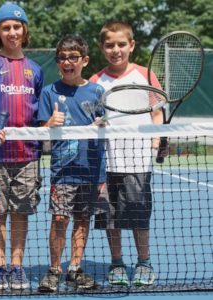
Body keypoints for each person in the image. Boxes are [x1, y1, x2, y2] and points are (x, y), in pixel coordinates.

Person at [0, 2, 43, 290]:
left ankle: (17, 266)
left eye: (16, 26)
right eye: (6, 28)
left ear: (24, 30)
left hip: (27, 155)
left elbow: (39, 114)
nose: (12, 32)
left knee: (20, 214)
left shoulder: (35, 70)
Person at [90, 20, 163, 286]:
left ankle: (144, 262)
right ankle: (117, 263)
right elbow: (94, 121)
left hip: (138, 162)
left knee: (139, 217)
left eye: (121, 44)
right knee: (111, 219)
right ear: (102, 47)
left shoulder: (145, 76)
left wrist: (156, 138)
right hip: (105, 164)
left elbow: (157, 112)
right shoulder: (96, 81)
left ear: (131, 45)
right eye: (110, 45)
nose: (116, 50)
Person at [37, 35, 106, 293]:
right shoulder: (49, 93)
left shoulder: (97, 92)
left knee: (82, 219)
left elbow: (103, 126)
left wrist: (102, 125)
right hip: (63, 171)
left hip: (91, 170)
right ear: (58, 63)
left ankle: (74, 268)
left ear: (84, 61)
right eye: (62, 58)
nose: (68, 62)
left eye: (73, 57)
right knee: (59, 219)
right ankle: (55, 270)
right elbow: (41, 132)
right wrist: (49, 124)